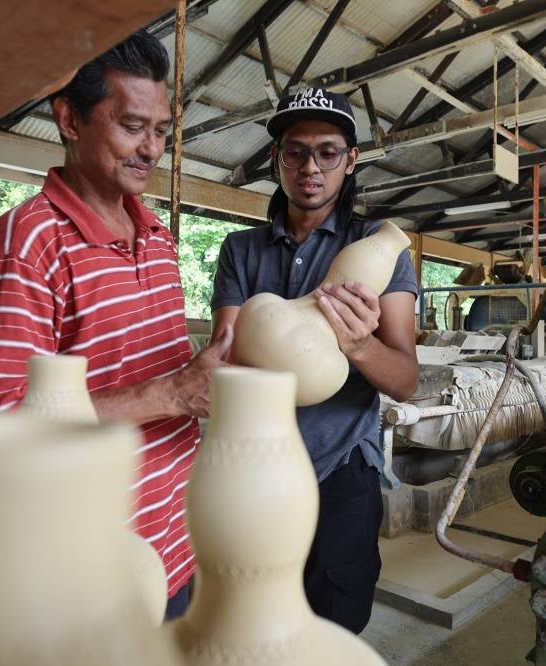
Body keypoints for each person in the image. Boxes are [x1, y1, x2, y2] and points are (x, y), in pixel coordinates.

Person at [0, 30, 230, 619]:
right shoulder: (27, 243)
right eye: (132, 126)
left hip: (175, 543)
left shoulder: (159, 238)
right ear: (69, 119)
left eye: (161, 131)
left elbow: (165, 377)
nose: (151, 149)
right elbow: (4, 422)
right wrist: (171, 393)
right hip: (91, 563)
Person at [210, 87, 419, 634]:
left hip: (341, 469)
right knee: (249, 620)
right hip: (251, 464)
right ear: (277, 159)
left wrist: (356, 346)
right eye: (295, 151)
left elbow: (405, 382)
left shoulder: (378, 248)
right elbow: (224, 364)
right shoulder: (241, 250)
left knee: (331, 626)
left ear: (350, 161)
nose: (310, 167)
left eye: (328, 152)